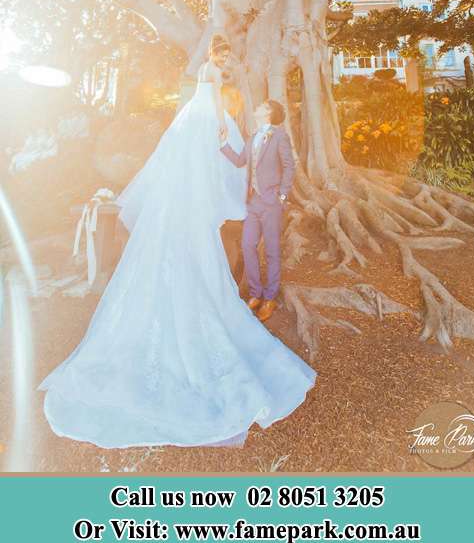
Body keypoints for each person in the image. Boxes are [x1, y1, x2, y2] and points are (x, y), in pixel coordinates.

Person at [37, 36, 316, 449]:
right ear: (214, 56)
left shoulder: (196, 106)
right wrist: (223, 123)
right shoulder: (209, 84)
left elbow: (211, 124)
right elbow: (217, 109)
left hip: (197, 152)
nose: (224, 60)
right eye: (221, 55)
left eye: (225, 56)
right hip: (204, 134)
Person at [220, 100, 293, 323]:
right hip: (252, 203)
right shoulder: (252, 136)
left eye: (261, 106)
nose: (257, 107)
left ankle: (270, 298)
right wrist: (222, 144)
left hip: (271, 202)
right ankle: (255, 293)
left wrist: (281, 195)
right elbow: (240, 161)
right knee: (247, 245)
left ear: (269, 112)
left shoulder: (280, 136)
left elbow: (289, 165)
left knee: (271, 251)